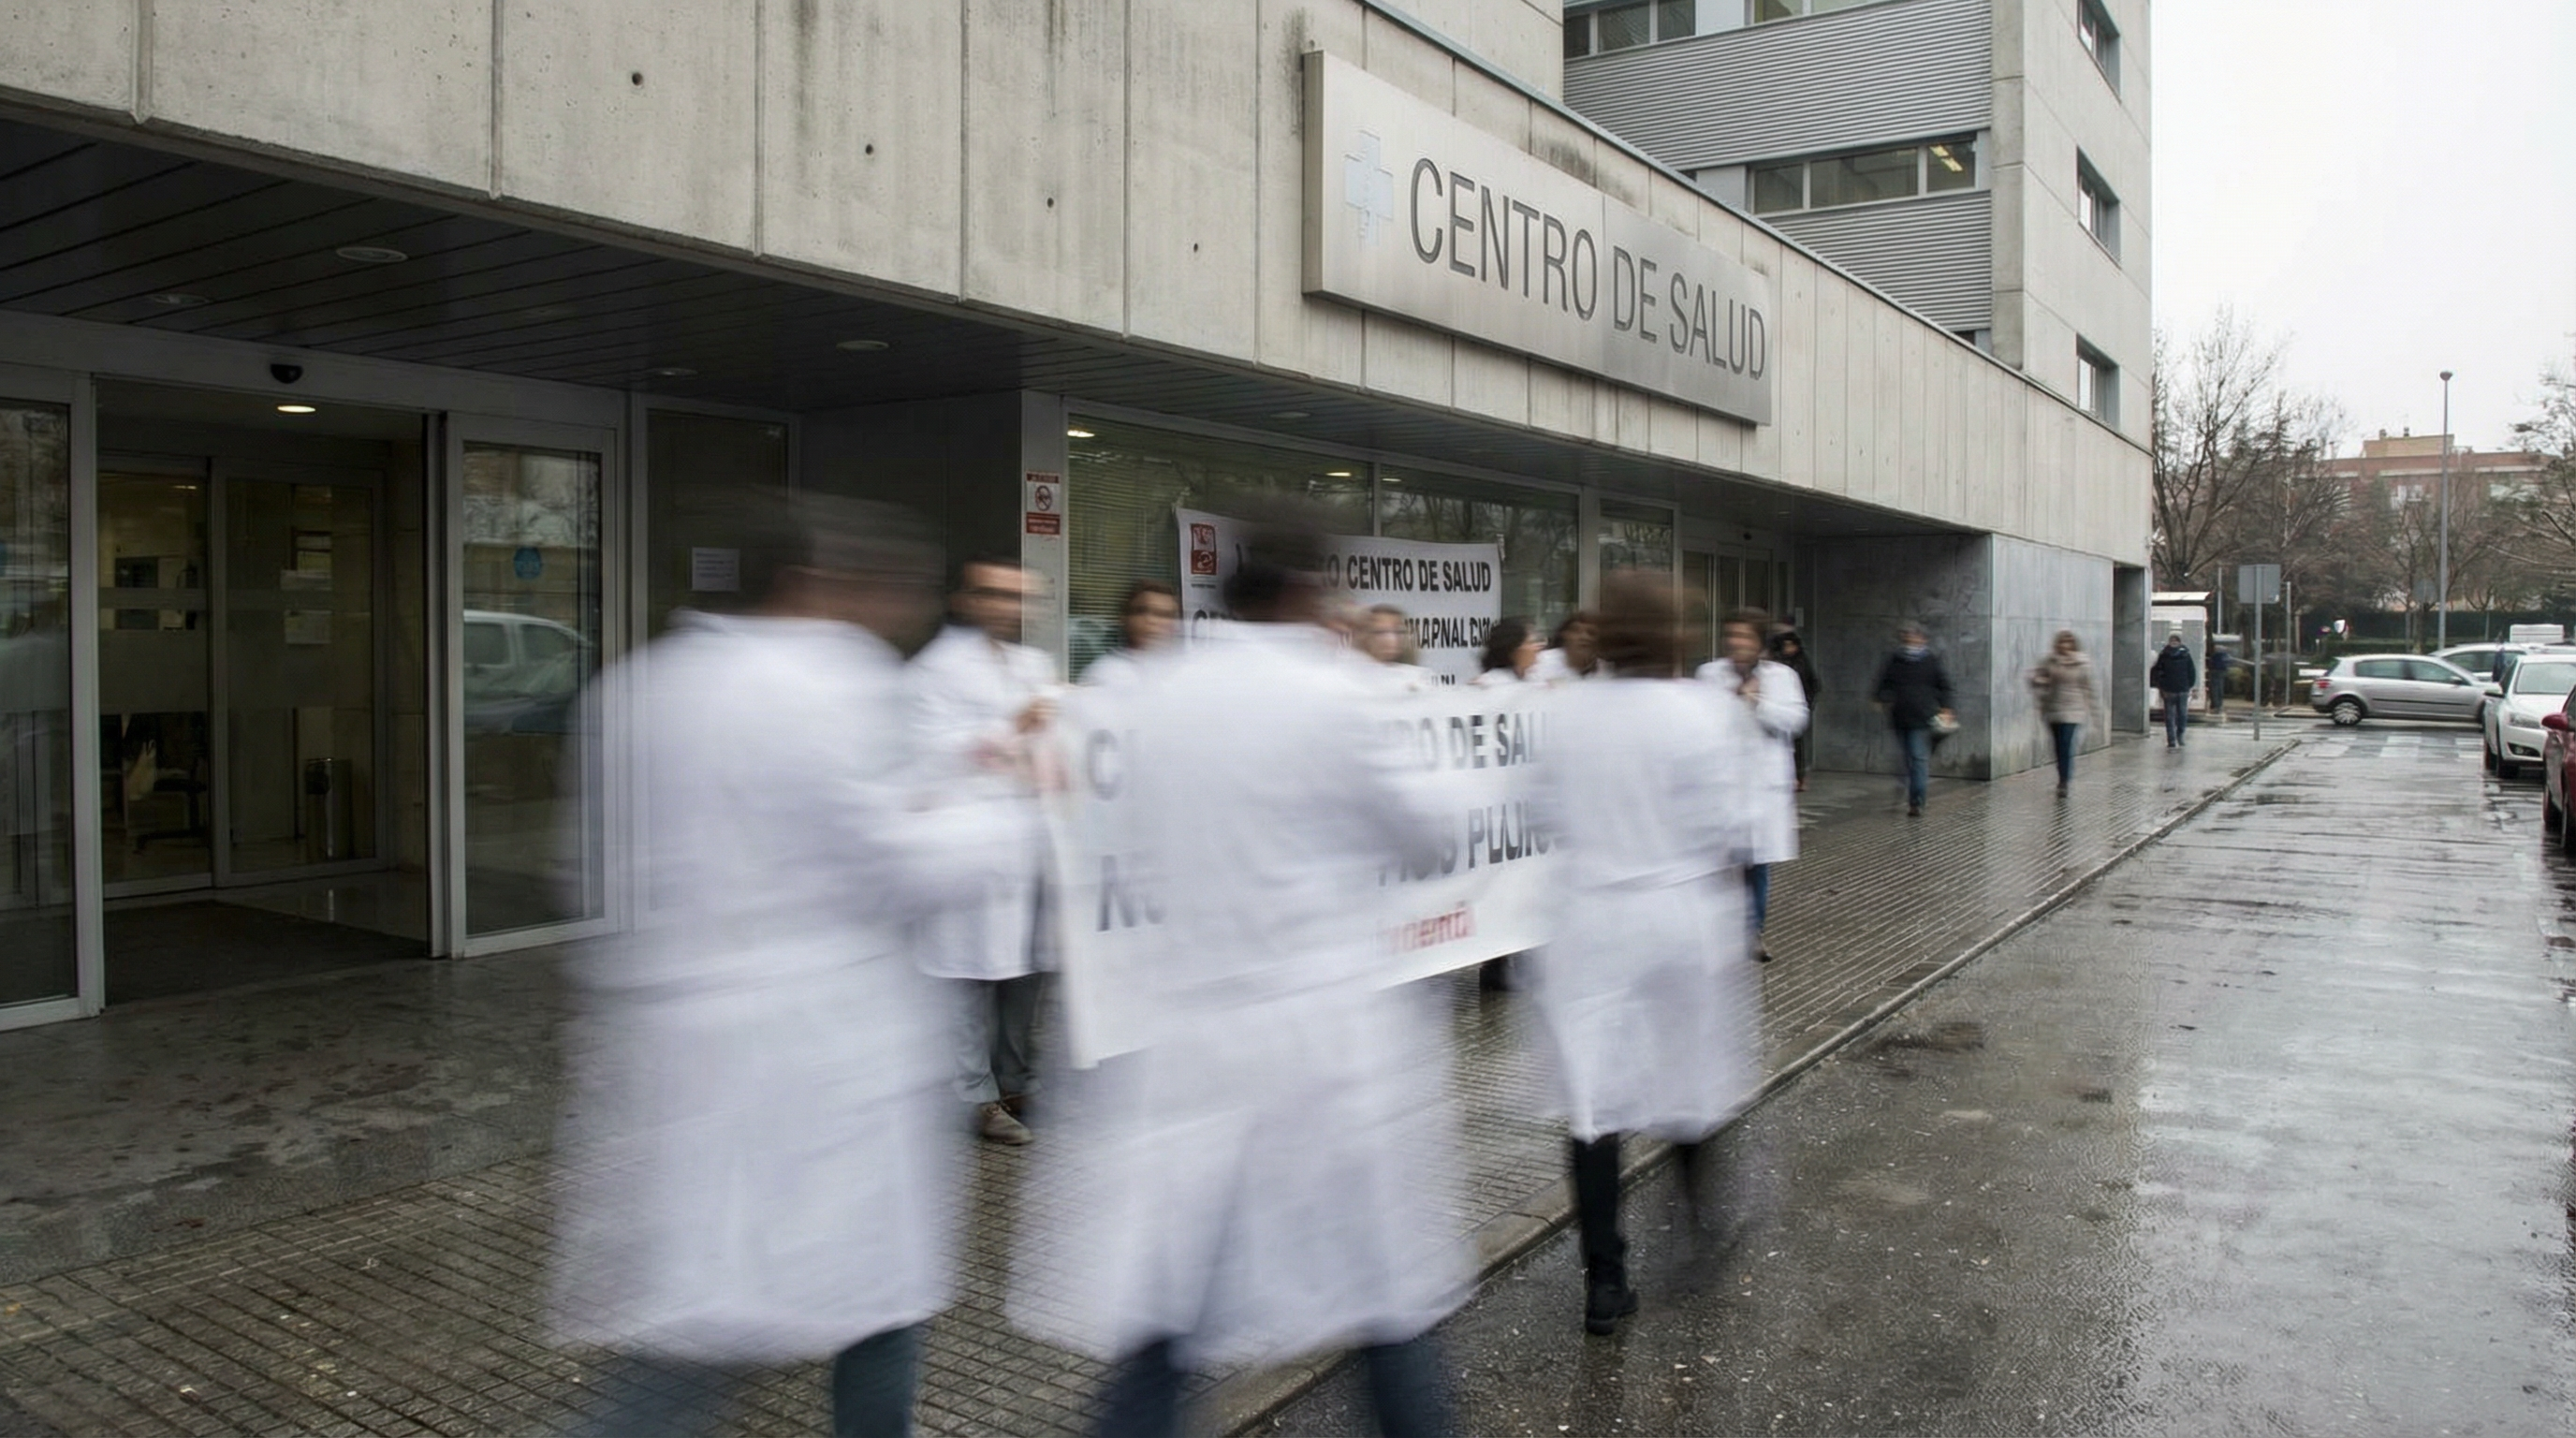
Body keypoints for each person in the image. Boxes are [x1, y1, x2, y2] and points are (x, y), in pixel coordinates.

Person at [551, 494, 1032, 1438]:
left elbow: (593, 865)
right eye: (885, 593)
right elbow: (903, 861)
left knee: (700, 1325)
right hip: (821, 1057)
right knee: (873, 1298)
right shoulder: (832, 680)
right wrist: (1012, 798)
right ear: (813, 584)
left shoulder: (642, 685)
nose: (896, 614)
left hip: (682, 1048)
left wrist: (949, 779)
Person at [1020, 513, 1464, 1438]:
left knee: (1167, 1310)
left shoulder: (1158, 691)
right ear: (1308, 593)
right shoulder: (1337, 696)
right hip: (1320, 1047)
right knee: (1388, 1301)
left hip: (1190, 1042)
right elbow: (1426, 835)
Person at [1529, 571, 1760, 1336]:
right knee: (1687, 1073)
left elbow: (1543, 811)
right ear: (1673, 636)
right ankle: (1697, 1225)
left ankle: (1605, 1277)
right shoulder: (1702, 712)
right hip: (1679, 912)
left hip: (1590, 918)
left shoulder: (1565, 716)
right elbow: (1729, 822)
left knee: (1593, 1100)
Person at [910, 555, 1058, 1146]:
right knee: (968, 979)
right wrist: (1008, 730)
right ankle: (977, 1098)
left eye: (1019, 597)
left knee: (1026, 974)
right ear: (964, 599)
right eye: (995, 595)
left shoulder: (1034, 663)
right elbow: (922, 756)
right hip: (966, 844)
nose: (1009, 607)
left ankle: (1017, 1081)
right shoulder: (930, 671)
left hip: (1031, 840)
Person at [1697, 608, 1808, 963]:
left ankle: (1752, 932)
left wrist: (1757, 703)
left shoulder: (1783, 677)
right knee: (1719, 865)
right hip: (1722, 785)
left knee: (1756, 864)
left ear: (1759, 643)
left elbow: (1796, 720)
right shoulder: (1709, 674)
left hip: (1762, 787)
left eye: (1744, 636)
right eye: (1731, 635)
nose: (1736, 643)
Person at [1874, 624, 1955, 817]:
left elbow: (1945, 686)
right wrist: (1881, 698)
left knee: (1918, 757)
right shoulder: (1895, 660)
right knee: (1907, 758)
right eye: (1907, 638)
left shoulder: (1930, 661)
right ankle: (1908, 790)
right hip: (1900, 716)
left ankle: (1916, 801)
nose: (1911, 641)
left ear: (1923, 639)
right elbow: (1883, 683)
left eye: (1914, 638)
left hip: (1922, 717)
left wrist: (1946, 708)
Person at [2028, 630, 2098, 796]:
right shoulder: (2050, 661)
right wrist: (2040, 681)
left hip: (2074, 709)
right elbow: (2035, 677)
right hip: (2053, 708)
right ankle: (2062, 776)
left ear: (2073, 645)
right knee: (2059, 746)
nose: (2065, 645)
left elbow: (2088, 687)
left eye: (2068, 642)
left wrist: (2093, 710)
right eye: (2062, 642)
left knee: (2066, 744)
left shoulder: (2082, 663)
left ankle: (2064, 781)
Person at [1081, 580, 1179, 690]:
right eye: (1142, 611)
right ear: (1125, 619)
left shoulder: (1185, 673)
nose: (1151, 620)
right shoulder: (1105, 674)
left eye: (1163, 614)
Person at [1767, 626, 1821, 791]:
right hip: (1779, 709)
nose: (1789, 648)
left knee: (1798, 746)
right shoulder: (1779, 664)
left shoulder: (1802, 661)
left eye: (1792, 645)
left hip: (1797, 708)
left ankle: (1799, 776)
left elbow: (1814, 684)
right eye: (1786, 645)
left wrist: (1807, 703)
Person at [1361, 602, 1437, 694]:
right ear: (1364, 636)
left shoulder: (1418, 678)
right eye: (1380, 632)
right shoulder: (1350, 679)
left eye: (1398, 632)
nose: (1391, 639)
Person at [1530, 611, 1605, 684]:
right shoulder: (1541, 662)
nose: (1584, 637)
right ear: (1565, 635)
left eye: (1591, 633)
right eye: (1577, 631)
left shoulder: (1606, 670)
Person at [2151, 632, 2197, 749]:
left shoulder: (2164, 655)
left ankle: (2172, 739)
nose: (2174, 643)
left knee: (2170, 716)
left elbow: (2156, 672)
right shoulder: (2186, 655)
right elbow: (2191, 672)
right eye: (2173, 641)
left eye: (2175, 641)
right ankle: (2178, 737)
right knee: (2181, 714)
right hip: (2180, 689)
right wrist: (2189, 685)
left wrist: (2160, 685)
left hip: (2170, 689)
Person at [1472, 616, 1541, 687]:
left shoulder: (1531, 681)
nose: (1537, 648)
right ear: (1514, 649)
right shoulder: (1491, 684)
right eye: (1530, 642)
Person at [2206, 641, 2232, 719]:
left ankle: (2215, 704)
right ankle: (2219, 704)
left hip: (2215, 671)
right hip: (2222, 672)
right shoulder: (2225, 655)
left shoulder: (2215, 655)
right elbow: (2229, 662)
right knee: (2220, 687)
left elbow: (2211, 663)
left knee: (2215, 688)